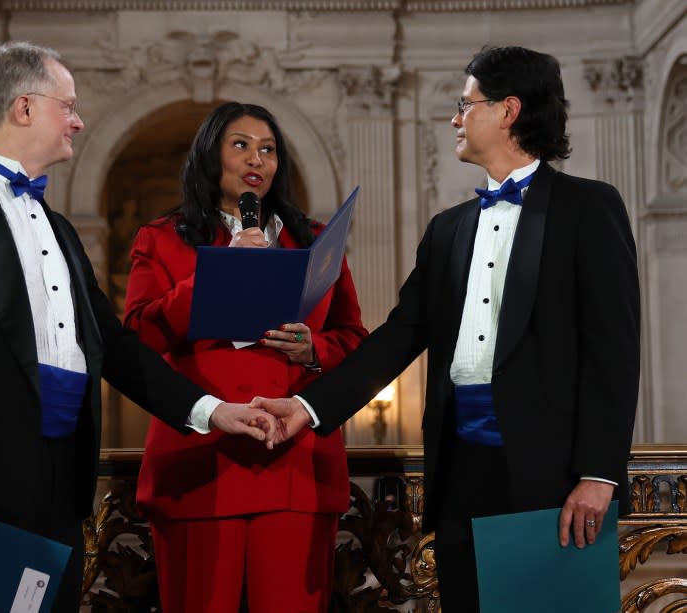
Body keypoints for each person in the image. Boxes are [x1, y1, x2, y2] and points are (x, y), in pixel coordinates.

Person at [0, 42, 276, 613]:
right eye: (66, 106)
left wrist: (211, 410)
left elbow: (114, 347)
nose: (78, 119)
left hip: (62, 479)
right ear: (24, 108)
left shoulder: (61, 229)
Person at [252, 46, 640, 612]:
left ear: (508, 111)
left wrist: (600, 473)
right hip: (460, 474)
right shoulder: (447, 230)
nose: (456, 118)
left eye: (466, 104)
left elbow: (614, 351)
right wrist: (309, 408)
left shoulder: (589, 208)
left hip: (554, 480)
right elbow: (399, 335)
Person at [123, 101, 368, 613]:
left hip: (296, 465)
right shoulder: (162, 239)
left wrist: (314, 348)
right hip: (199, 465)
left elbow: (354, 339)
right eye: (240, 144)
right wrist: (218, 270)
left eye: (268, 148)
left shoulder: (317, 240)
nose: (256, 158)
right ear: (210, 156)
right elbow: (135, 340)